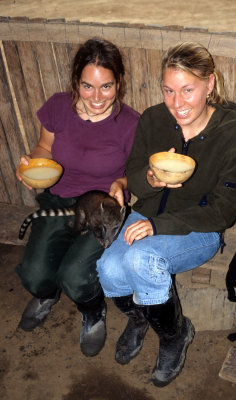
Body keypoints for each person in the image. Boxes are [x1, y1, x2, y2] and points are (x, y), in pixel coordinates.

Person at [97, 41, 236, 387]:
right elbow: (134, 171)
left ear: (209, 84)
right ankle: (140, 319)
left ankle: (175, 336)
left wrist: (158, 225)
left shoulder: (233, 136)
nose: (177, 103)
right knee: (107, 268)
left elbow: (224, 211)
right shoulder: (154, 118)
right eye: (169, 90)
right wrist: (150, 179)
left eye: (187, 90)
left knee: (142, 262)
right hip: (148, 216)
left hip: (200, 229)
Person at [15, 38, 140, 357]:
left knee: (75, 275)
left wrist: (122, 182)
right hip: (60, 200)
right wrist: (31, 163)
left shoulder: (129, 123)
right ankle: (46, 294)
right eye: (88, 86)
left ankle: (92, 311)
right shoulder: (57, 106)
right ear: (75, 82)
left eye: (106, 87)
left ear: (119, 82)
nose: (97, 97)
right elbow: (43, 148)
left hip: (105, 209)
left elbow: (139, 173)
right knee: (33, 273)